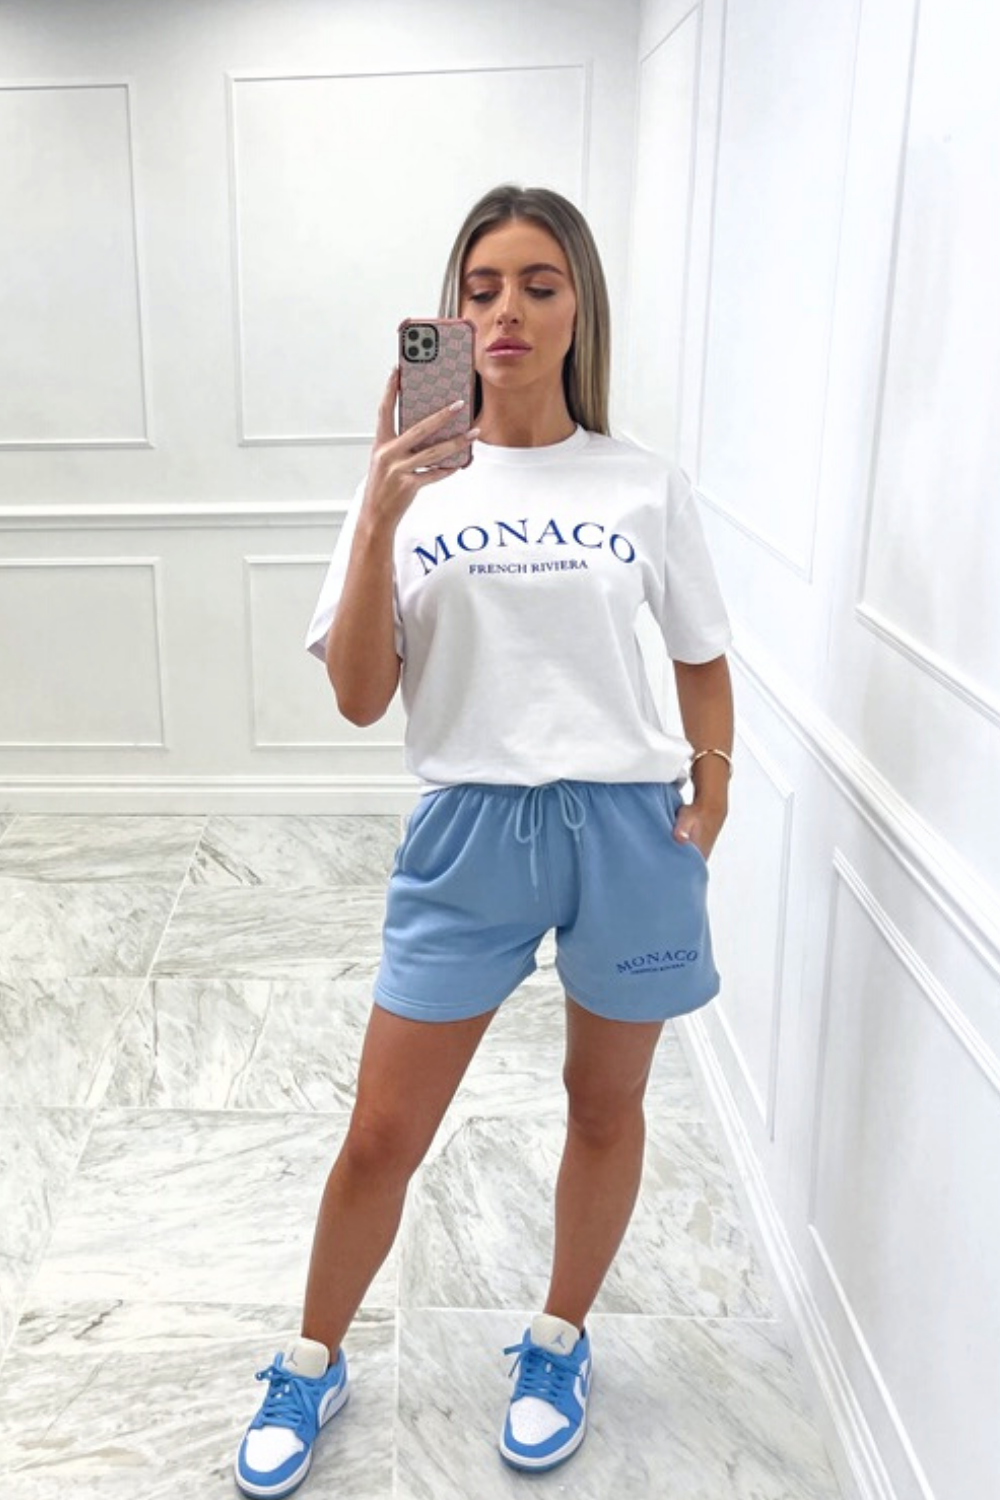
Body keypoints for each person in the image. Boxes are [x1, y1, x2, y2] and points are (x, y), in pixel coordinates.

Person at [234, 183, 733, 1498]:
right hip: (469, 834)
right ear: (452, 316)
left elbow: (701, 655)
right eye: (482, 287)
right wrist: (380, 503)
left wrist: (714, 791)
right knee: (381, 1134)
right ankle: (311, 1358)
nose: (507, 310)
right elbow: (360, 697)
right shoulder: (408, 487)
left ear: (578, 311)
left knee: (604, 1107)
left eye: (538, 285)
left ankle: (558, 1341)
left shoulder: (641, 483)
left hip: (626, 832)